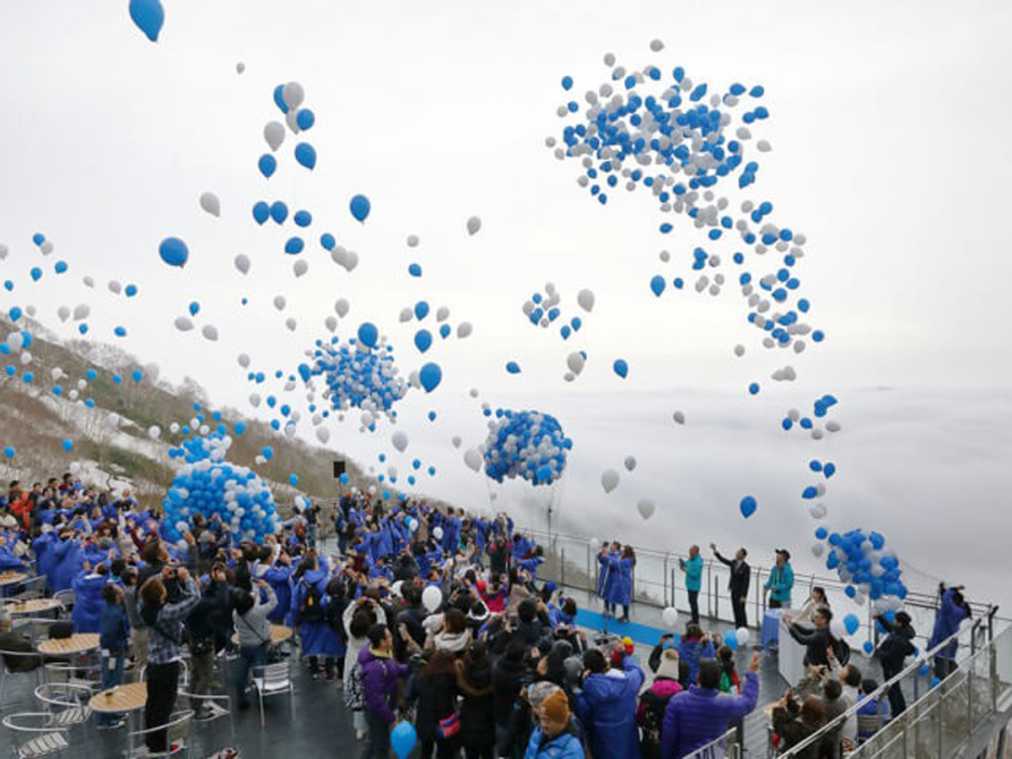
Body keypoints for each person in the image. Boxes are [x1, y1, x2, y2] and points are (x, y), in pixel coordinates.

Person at [139, 567, 200, 754]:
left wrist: (161, 575)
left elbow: (147, 588)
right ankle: (159, 748)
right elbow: (194, 599)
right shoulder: (166, 613)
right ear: (160, 595)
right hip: (168, 664)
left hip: (153, 663)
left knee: (152, 705)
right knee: (165, 707)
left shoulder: (144, 607)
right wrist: (187, 578)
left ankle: (152, 742)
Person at [660, 652, 761, 759]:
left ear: (698, 676)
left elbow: (668, 738)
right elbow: (748, 702)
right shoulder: (725, 702)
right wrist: (752, 674)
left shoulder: (677, 701)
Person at [574, 645, 644, 759]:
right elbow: (637, 671)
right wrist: (624, 656)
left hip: (603, 745)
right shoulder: (628, 682)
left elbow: (583, 715)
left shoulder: (589, 690)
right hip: (628, 740)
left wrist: (582, 683)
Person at [359, 623, 409, 759]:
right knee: (381, 747)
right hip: (378, 713)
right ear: (382, 642)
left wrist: (409, 668)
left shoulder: (382, 654)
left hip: (381, 710)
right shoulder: (375, 668)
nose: (392, 639)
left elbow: (395, 669)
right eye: (389, 637)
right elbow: (376, 700)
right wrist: (391, 718)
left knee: (373, 742)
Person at [232, 578, 278, 710]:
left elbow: (250, 602)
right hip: (259, 646)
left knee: (241, 673)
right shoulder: (258, 612)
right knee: (260, 672)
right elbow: (274, 602)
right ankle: (262, 698)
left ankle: (241, 699)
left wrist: (255, 591)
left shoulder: (235, 614)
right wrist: (266, 587)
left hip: (245, 646)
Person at [409, 650, 460, 759]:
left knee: (426, 750)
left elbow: (412, 695)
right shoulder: (451, 679)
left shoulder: (421, 677)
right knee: (445, 752)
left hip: (425, 720)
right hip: (445, 722)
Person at [638, 649, 684, 759]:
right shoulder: (682, 694)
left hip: (650, 744)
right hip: (673, 745)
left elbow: (639, 717)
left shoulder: (648, 692)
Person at [98, 583, 131, 729]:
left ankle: (115, 711)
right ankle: (106, 719)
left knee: (111, 681)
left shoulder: (108, 608)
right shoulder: (116, 614)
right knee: (111, 683)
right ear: (117, 596)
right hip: (114, 651)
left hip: (109, 650)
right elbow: (114, 634)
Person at [455, 641, 496, 759]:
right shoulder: (492, 673)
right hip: (487, 724)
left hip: (469, 725)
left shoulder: (463, 675)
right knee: (488, 754)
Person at [874, 611, 915, 715]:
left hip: (892, 667)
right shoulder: (901, 630)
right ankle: (901, 709)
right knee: (895, 687)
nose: (893, 621)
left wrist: (878, 652)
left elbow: (890, 655)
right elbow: (890, 627)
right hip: (893, 666)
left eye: (895, 620)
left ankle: (896, 713)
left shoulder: (899, 640)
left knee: (892, 690)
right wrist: (880, 617)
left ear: (900, 623)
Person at [524, 689, 584, 759]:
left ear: (561, 721)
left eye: (548, 720)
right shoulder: (538, 731)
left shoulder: (572, 750)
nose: (543, 724)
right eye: (542, 719)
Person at [928, 583, 970, 680]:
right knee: (949, 663)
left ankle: (943, 688)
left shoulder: (950, 610)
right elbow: (946, 600)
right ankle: (953, 679)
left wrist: (953, 589)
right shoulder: (960, 612)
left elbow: (947, 599)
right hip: (950, 644)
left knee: (940, 671)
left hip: (940, 644)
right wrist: (944, 591)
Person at [770, 692, 825, 759]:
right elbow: (801, 710)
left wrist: (780, 707)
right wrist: (790, 701)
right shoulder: (818, 722)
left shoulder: (800, 730)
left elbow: (779, 727)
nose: (801, 704)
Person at [710, 543, 749, 629]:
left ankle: (744, 628)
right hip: (733, 590)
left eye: (739, 552)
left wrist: (743, 595)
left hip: (740, 592)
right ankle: (737, 627)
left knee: (741, 611)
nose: (736, 553)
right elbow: (723, 560)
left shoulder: (746, 567)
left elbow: (746, 583)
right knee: (735, 610)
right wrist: (715, 550)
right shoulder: (733, 562)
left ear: (743, 555)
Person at [856, 679, 888, 743]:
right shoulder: (883, 702)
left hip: (860, 733)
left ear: (863, 690)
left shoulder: (858, 700)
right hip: (877, 731)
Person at [679, 546, 703, 624]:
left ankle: (696, 621)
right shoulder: (692, 559)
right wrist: (683, 563)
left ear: (696, 552)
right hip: (690, 585)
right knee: (691, 602)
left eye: (691, 552)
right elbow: (687, 564)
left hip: (694, 586)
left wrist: (685, 570)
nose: (689, 553)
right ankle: (694, 618)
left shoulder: (698, 562)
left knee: (693, 603)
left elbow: (695, 574)